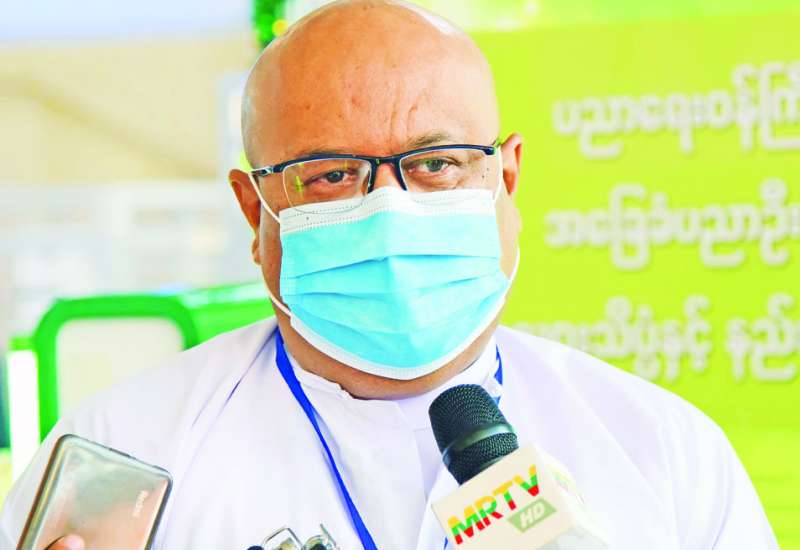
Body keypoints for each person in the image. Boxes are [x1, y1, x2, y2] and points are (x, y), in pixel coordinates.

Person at [1, 1, 778, 549]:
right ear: (252, 209)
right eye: (330, 175)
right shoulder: (127, 455)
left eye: (436, 163)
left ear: (505, 180)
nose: (389, 208)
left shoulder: (661, 452)